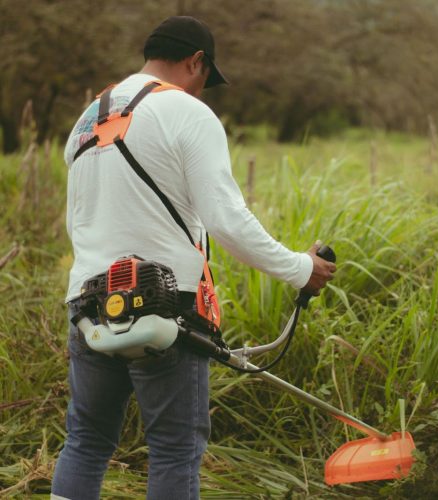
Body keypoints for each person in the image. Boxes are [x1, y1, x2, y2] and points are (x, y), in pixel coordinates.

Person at [51, 15, 335, 500]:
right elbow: (226, 220)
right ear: (195, 61)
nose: (203, 91)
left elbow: (82, 223)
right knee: (175, 448)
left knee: (87, 440)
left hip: (89, 308)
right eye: (205, 79)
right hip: (165, 307)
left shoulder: (86, 120)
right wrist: (301, 269)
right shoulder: (187, 111)